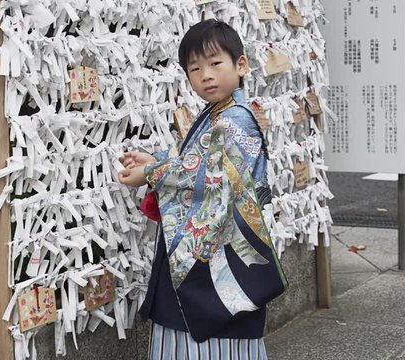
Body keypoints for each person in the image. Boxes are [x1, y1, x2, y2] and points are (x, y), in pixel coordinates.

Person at [118, 19, 287, 359]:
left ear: (241, 65)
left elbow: (210, 176)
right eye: (195, 68)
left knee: (204, 337)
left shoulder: (237, 118)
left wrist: (151, 173)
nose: (206, 75)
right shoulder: (219, 113)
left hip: (217, 256)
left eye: (214, 63)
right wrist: (156, 160)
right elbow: (195, 160)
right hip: (205, 250)